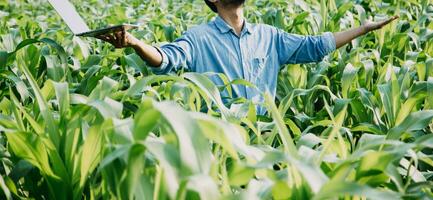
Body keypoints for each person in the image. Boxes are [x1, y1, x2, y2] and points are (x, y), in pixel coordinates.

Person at [97, 0, 398, 115]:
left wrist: (363, 29)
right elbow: (166, 58)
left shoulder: (269, 36)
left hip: (265, 136)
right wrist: (134, 42)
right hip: (221, 140)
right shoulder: (199, 38)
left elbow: (314, 45)